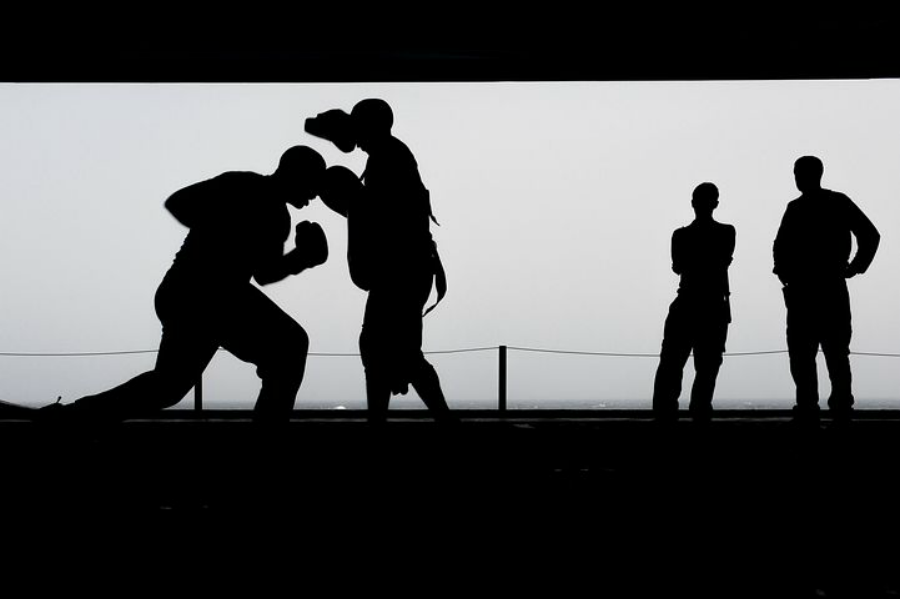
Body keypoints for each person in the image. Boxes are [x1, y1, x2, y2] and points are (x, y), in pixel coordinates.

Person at [40, 146, 329, 423]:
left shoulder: (278, 216)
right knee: (289, 346)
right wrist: (221, 234)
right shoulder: (242, 185)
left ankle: (72, 417)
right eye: (313, 183)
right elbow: (178, 203)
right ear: (295, 173)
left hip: (211, 297)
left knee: (169, 386)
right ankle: (72, 417)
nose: (315, 194)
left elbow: (265, 273)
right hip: (200, 294)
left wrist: (301, 258)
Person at [307, 99, 453, 424]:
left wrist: (345, 196)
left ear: (369, 127)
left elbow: (383, 218)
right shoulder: (388, 156)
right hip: (406, 269)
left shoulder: (389, 159)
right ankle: (423, 420)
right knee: (390, 349)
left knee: (386, 349)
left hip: (400, 271)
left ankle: (400, 422)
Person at [773, 156, 880, 423]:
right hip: (822, 290)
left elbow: (870, 235)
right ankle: (831, 407)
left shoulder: (807, 206)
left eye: (798, 173)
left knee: (816, 354)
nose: (796, 178)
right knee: (827, 354)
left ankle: (814, 407)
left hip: (812, 292)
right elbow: (780, 247)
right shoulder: (824, 204)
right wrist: (854, 267)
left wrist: (855, 267)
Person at [652, 182, 735, 422]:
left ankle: (666, 414)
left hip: (690, 302)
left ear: (693, 203)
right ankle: (697, 412)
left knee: (674, 364)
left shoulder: (681, 236)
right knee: (706, 366)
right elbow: (721, 261)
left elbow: (678, 266)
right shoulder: (726, 233)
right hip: (711, 305)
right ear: (715, 204)